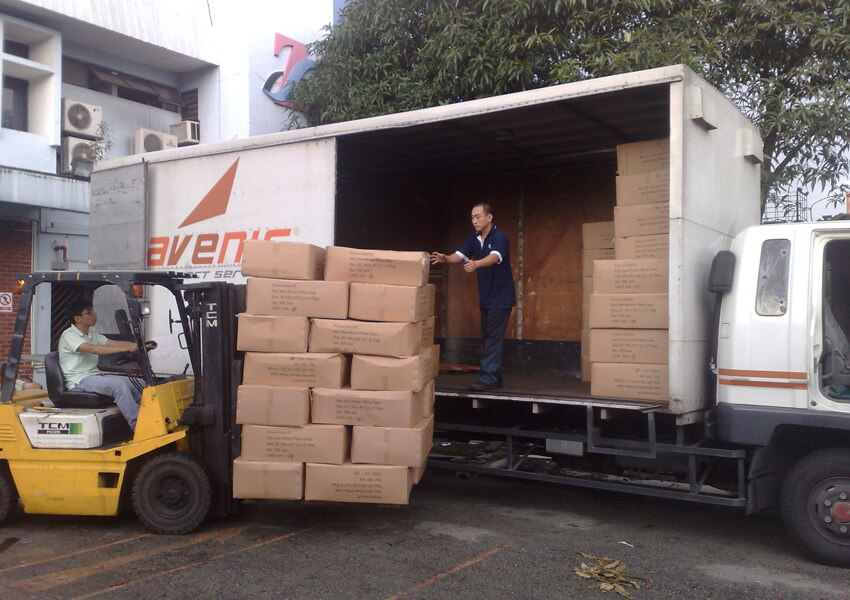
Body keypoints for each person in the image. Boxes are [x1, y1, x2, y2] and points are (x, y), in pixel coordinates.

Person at [431, 203, 516, 391]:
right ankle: (495, 379)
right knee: (488, 338)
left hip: (501, 298)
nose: (474, 221)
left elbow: (495, 257)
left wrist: (476, 264)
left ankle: (487, 379)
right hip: (486, 298)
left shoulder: (499, 237)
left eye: (478, 217)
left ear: (489, 217)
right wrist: (446, 258)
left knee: (493, 338)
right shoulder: (474, 239)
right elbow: (459, 255)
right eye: (472, 217)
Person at [58, 299, 153, 430]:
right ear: (78, 318)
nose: (94, 315)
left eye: (93, 311)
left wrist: (140, 346)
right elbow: (93, 349)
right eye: (89, 313)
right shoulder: (69, 335)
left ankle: (152, 419)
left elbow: (111, 343)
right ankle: (140, 427)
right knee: (119, 385)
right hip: (79, 381)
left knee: (139, 383)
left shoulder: (91, 334)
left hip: (94, 375)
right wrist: (125, 349)